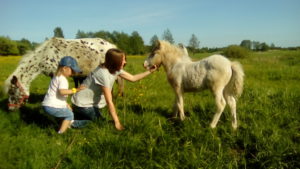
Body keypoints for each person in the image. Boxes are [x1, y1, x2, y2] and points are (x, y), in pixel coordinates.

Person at [71, 48, 157, 131]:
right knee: (100, 124)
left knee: (98, 119)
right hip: (83, 105)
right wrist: (117, 122)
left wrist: (150, 71)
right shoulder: (102, 74)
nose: (125, 62)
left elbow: (133, 78)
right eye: (122, 60)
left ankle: (76, 114)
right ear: (114, 61)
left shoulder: (114, 69)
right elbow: (109, 101)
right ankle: (71, 123)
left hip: (85, 103)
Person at [42, 56, 87, 134]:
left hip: (48, 105)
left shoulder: (56, 77)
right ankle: (61, 133)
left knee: (67, 111)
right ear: (65, 68)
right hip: (52, 106)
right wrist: (76, 90)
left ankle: (67, 124)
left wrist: (66, 104)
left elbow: (56, 94)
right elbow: (62, 92)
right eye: (72, 71)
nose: (73, 73)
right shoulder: (63, 79)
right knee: (69, 115)